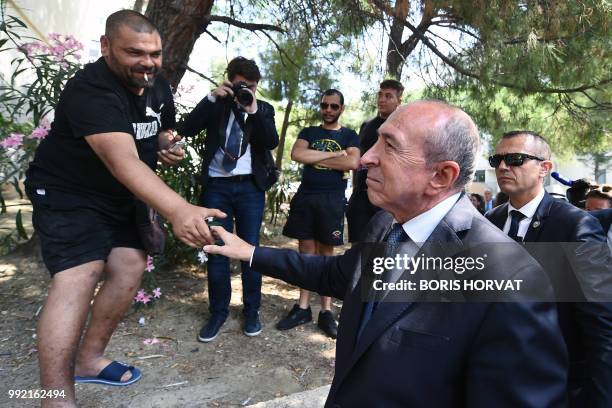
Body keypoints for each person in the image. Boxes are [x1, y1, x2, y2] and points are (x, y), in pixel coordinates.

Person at [204, 101, 568, 407]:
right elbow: (334, 276)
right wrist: (250, 252)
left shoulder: (509, 279)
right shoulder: (384, 225)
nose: (366, 159)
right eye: (375, 142)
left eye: (389, 146)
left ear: (441, 176)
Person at [24, 10, 223, 407]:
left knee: (129, 266)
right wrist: (179, 208)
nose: (148, 63)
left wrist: (166, 144)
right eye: (135, 52)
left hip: (118, 195)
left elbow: (160, 128)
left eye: (155, 53)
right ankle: (55, 398)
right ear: (105, 46)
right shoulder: (90, 91)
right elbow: (123, 161)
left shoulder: (156, 84)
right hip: (68, 192)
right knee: (81, 273)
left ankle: (89, 360)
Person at [485, 130, 612, 407]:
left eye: (516, 159)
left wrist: (602, 396)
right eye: (497, 160)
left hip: (556, 384)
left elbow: (600, 320)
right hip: (493, 379)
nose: (504, 167)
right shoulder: (488, 221)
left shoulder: (576, 225)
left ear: (545, 168)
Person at [178, 57, 279, 342]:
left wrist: (254, 110)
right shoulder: (216, 105)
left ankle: (252, 312)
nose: (246, 91)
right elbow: (186, 129)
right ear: (229, 81)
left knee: (250, 251)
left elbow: (270, 141)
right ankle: (218, 313)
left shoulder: (263, 109)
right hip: (217, 188)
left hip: (250, 188)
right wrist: (211, 97)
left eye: (252, 87)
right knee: (216, 249)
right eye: (241, 86)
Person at [279, 89, 359, 338]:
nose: (328, 110)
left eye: (334, 106)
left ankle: (326, 312)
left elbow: (352, 163)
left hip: (332, 200)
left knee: (326, 254)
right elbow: (297, 154)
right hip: (306, 197)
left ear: (341, 109)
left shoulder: (349, 135)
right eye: (325, 105)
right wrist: (335, 155)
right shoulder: (309, 133)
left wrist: (316, 158)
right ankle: (302, 308)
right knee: (306, 252)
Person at [347, 79, 403, 242]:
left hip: (387, 199)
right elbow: (357, 159)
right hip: (361, 196)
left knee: (383, 250)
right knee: (358, 249)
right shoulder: (366, 125)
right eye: (380, 95)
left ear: (399, 101)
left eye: (388, 96)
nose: (382, 99)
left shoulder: (403, 126)